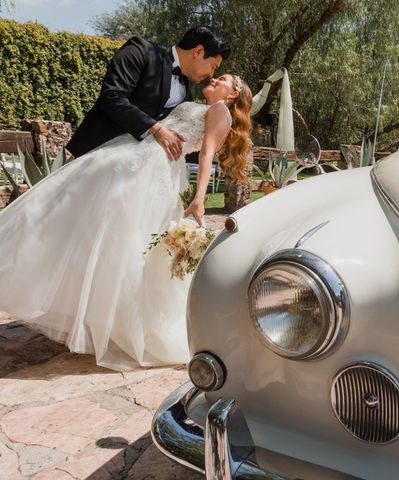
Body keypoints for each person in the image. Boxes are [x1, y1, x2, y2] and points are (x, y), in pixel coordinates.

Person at [0, 74, 253, 370]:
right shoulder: (198, 104)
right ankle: (100, 317)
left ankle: (127, 326)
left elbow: (207, 153)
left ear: (233, 94)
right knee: (108, 234)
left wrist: (199, 198)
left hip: (155, 171)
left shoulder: (220, 111)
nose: (214, 78)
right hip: (139, 157)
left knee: (129, 241)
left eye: (222, 79)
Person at [66, 25, 230, 161]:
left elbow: (178, 143)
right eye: (213, 66)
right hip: (92, 155)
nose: (211, 75)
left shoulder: (187, 95)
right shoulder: (140, 51)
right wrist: (156, 129)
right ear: (198, 51)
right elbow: (112, 97)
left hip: (130, 169)